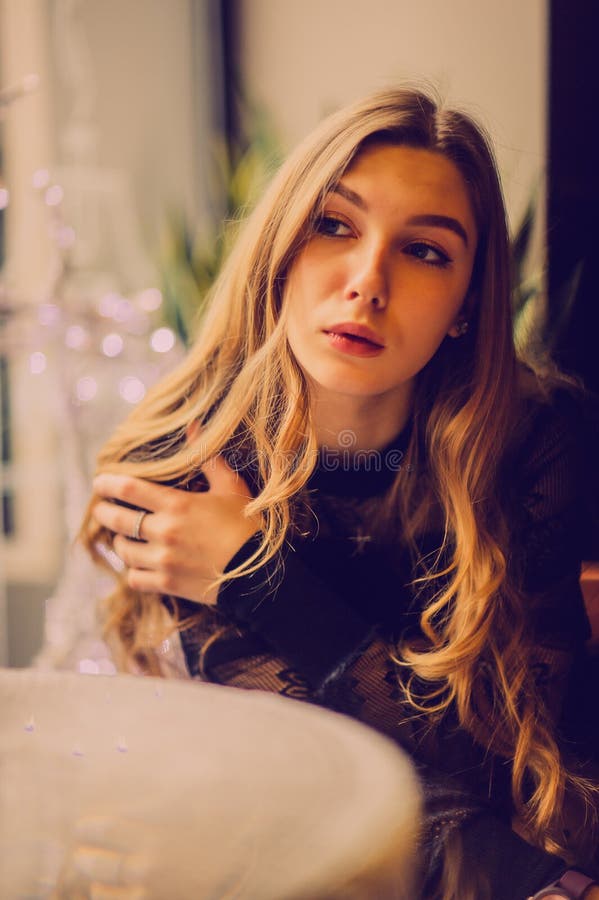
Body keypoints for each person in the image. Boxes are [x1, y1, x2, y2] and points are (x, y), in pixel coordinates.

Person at [82, 87, 599, 899]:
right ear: (279, 248)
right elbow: (314, 775)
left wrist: (258, 577)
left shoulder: (530, 443)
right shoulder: (188, 463)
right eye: (334, 225)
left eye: (424, 251)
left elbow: (496, 764)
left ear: (466, 305)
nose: (366, 282)